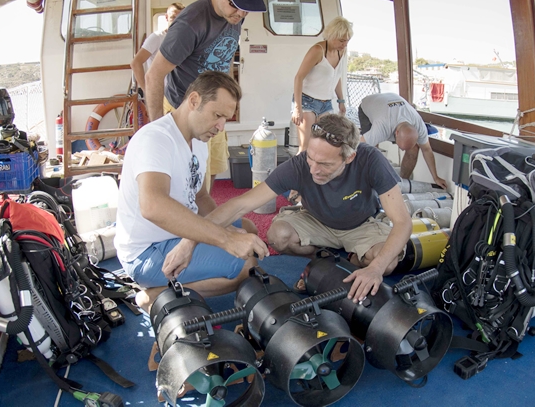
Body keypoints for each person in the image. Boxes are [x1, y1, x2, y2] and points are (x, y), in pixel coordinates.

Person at [176, 114, 413, 304]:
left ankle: (341, 260)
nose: (314, 170)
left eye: (325, 164)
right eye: (311, 158)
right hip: (316, 221)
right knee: (278, 236)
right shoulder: (299, 166)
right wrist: (190, 241)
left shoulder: (370, 160)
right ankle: (323, 259)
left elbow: (402, 222)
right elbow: (240, 204)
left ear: (349, 158)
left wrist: (376, 269)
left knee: (387, 262)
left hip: (361, 225)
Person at [114, 72, 269, 313]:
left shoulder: (198, 141)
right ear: (194, 101)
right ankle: (157, 295)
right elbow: (152, 205)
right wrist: (225, 239)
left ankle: (176, 284)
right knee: (247, 267)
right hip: (147, 251)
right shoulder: (156, 139)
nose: (220, 127)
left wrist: (226, 228)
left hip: (178, 235)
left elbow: (200, 197)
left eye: (226, 119)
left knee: (248, 229)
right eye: (217, 116)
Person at [145, 0, 266, 192]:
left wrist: (230, 97)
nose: (240, 14)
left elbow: (227, 53)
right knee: (182, 178)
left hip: (214, 107)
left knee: (209, 171)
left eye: (246, 7)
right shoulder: (190, 24)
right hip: (183, 109)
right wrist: (157, 130)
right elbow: (154, 75)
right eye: (235, 5)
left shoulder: (236, 15)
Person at [359, 92, 447, 190]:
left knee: (414, 149)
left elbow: (427, 150)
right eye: (400, 147)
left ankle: (403, 182)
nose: (401, 151)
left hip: (390, 103)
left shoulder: (419, 126)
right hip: (369, 104)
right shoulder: (381, 128)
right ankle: (372, 183)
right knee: (371, 150)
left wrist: (435, 177)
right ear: (396, 133)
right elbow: (357, 147)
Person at [292, 16, 352, 155]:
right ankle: (299, 175)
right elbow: (298, 77)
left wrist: (341, 101)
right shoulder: (317, 50)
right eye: (342, 40)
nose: (345, 44)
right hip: (307, 101)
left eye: (347, 40)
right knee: (305, 148)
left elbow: (336, 76)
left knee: (323, 146)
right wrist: (297, 108)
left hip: (326, 103)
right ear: (331, 36)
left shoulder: (341, 51)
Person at [130, 3, 184, 96]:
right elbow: (136, 63)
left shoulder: (187, 39)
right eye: (173, 17)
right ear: (166, 17)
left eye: (180, 18)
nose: (177, 21)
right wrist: (147, 91)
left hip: (181, 94)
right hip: (162, 95)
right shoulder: (156, 37)